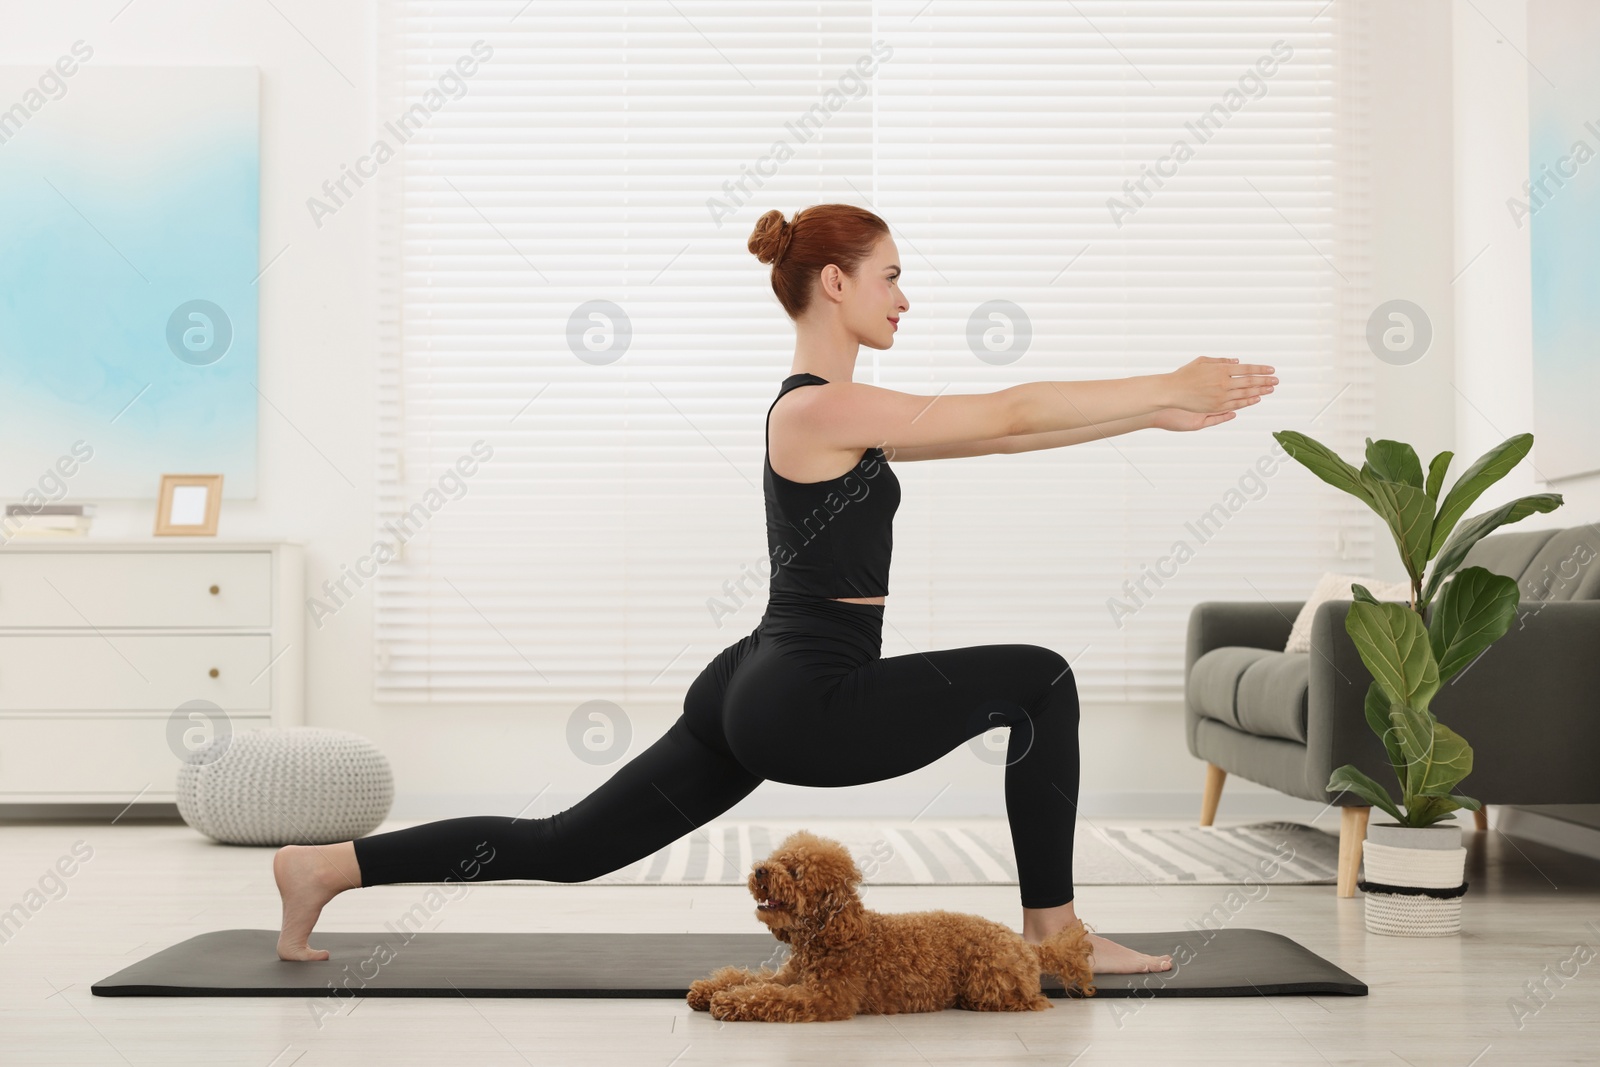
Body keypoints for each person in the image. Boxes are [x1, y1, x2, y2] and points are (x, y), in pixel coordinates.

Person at [273, 203, 1276, 972]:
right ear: (834, 282)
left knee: (572, 844)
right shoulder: (818, 411)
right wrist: (1164, 381)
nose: (905, 296)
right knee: (1041, 679)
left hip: (755, 678)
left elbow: (1008, 432)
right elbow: (1007, 409)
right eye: (891, 276)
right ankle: (1055, 932)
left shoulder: (831, 414)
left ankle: (324, 865)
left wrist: (1148, 420)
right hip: (803, 695)